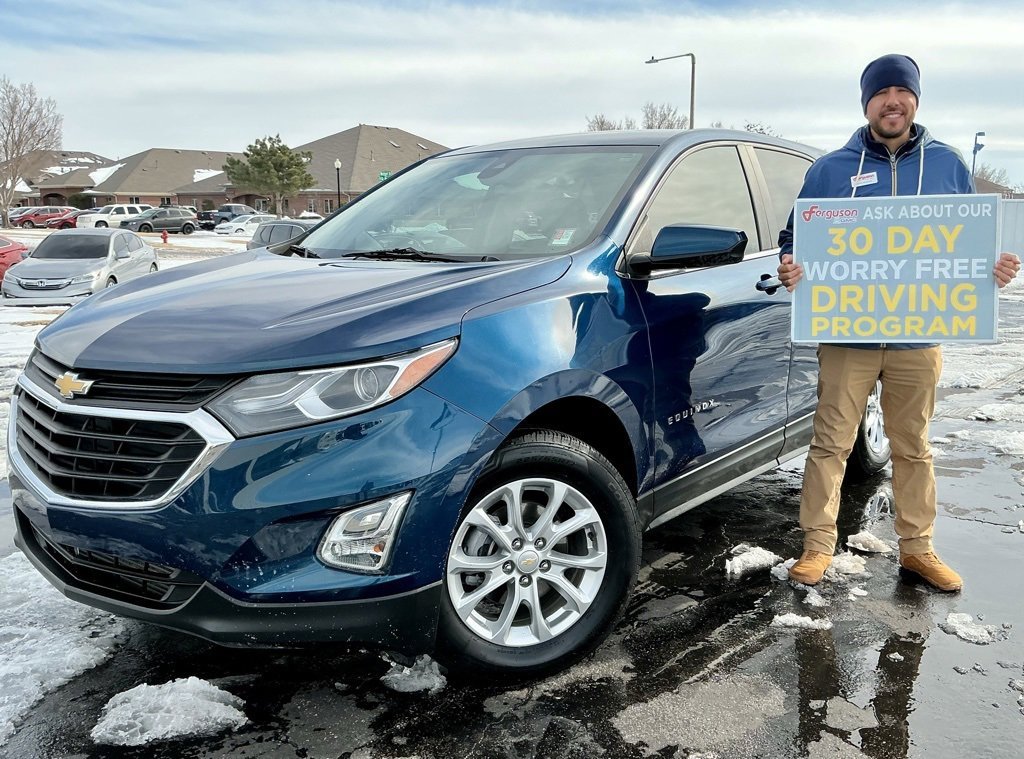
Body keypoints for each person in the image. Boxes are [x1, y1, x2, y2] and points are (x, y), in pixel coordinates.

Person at [776, 53, 1021, 590]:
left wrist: (991, 267)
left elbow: (969, 240)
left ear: (915, 99)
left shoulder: (948, 164)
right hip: (847, 335)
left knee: (913, 446)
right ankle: (818, 546)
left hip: (917, 337)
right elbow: (795, 238)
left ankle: (918, 549)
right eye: (881, 93)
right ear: (867, 103)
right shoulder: (830, 169)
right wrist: (791, 266)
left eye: (902, 92)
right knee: (830, 444)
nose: (893, 101)